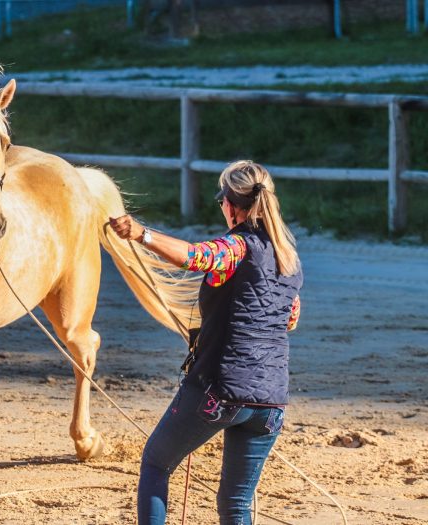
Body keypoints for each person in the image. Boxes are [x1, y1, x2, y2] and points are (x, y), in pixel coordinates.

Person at [109, 160, 303, 525]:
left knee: (156, 462)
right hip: (272, 401)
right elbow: (290, 318)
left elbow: (195, 257)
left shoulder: (238, 247)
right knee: (236, 505)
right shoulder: (289, 258)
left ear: (230, 204)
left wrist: (141, 233)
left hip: (220, 389)